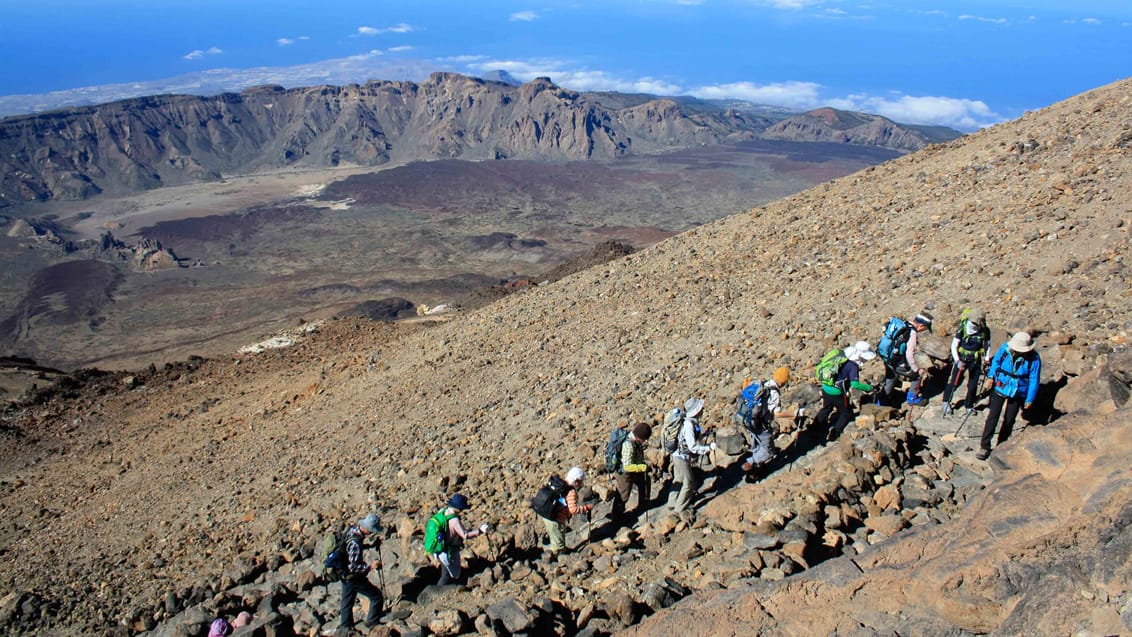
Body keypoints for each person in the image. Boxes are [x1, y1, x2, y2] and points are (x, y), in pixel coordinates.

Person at [977, 332, 1041, 460]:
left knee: (1009, 419)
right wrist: (990, 376)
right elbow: (996, 362)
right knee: (993, 416)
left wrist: (1030, 398)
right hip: (1001, 384)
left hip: (1018, 390)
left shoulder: (1034, 358)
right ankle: (984, 446)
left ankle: (1001, 446)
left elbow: (1034, 379)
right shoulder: (1005, 348)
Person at [815, 341, 876, 440]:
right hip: (837, 392)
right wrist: (869, 388)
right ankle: (834, 434)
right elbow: (855, 384)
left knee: (827, 408)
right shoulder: (853, 366)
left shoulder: (843, 355)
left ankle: (815, 426)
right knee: (846, 413)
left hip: (826, 387)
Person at [741, 366, 791, 482]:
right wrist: (793, 414)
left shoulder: (764, 384)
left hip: (748, 421)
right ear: (783, 381)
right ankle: (750, 463)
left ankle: (756, 470)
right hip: (760, 424)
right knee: (768, 450)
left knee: (757, 445)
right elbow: (776, 414)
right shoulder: (774, 394)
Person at [670, 398, 717, 514]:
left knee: (678, 479)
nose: (702, 410)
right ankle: (679, 509)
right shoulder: (688, 425)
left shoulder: (688, 421)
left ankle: (672, 503)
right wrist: (708, 448)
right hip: (682, 457)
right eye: (700, 408)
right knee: (689, 483)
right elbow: (692, 447)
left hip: (676, 454)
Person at [942, 309, 992, 416]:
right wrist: (957, 361)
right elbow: (954, 345)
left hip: (975, 359)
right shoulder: (962, 328)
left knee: (973, 384)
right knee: (955, 381)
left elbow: (987, 345)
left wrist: (987, 359)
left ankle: (969, 405)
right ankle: (946, 402)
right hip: (961, 358)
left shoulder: (984, 331)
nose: (976, 325)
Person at [339, 513, 384, 632]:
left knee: (347, 601)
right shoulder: (355, 543)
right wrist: (371, 566)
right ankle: (372, 623)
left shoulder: (352, 530)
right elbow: (354, 566)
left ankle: (345, 627)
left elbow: (349, 551)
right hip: (354, 576)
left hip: (343, 574)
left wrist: (370, 546)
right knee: (377, 596)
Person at [434, 494, 490, 585]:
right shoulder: (454, 520)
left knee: (446, 572)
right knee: (446, 574)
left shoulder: (442, 511)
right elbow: (465, 535)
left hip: (439, 548)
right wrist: (480, 531)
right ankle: (439, 592)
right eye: (461, 508)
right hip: (448, 550)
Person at [881, 313, 933, 405]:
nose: (923, 331)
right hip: (898, 361)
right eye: (925, 328)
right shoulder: (912, 333)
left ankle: (881, 401)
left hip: (888, 358)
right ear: (921, 325)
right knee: (917, 376)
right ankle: (912, 398)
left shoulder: (902, 324)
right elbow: (909, 354)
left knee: (891, 377)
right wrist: (916, 369)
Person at [543, 467, 595, 556]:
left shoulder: (561, 484)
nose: (582, 484)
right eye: (581, 481)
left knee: (558, 536)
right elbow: (573, 509)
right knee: (558, 545)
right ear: (576, 481)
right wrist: (586, 508)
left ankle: (562, 551)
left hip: (549, 515)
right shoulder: (570, 491)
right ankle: (553, 559)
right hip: (555, 519)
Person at [610, 423, 652, 521]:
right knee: (623, 495)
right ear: (640, 437)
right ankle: (616, 518)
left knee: (644, 482)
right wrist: (641, 467)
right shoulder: (628, 445)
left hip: (635, 468)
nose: (645, 442)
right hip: (624, 473)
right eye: (644, 439)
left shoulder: (634, 440)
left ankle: (643, 505)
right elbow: (627, 466)